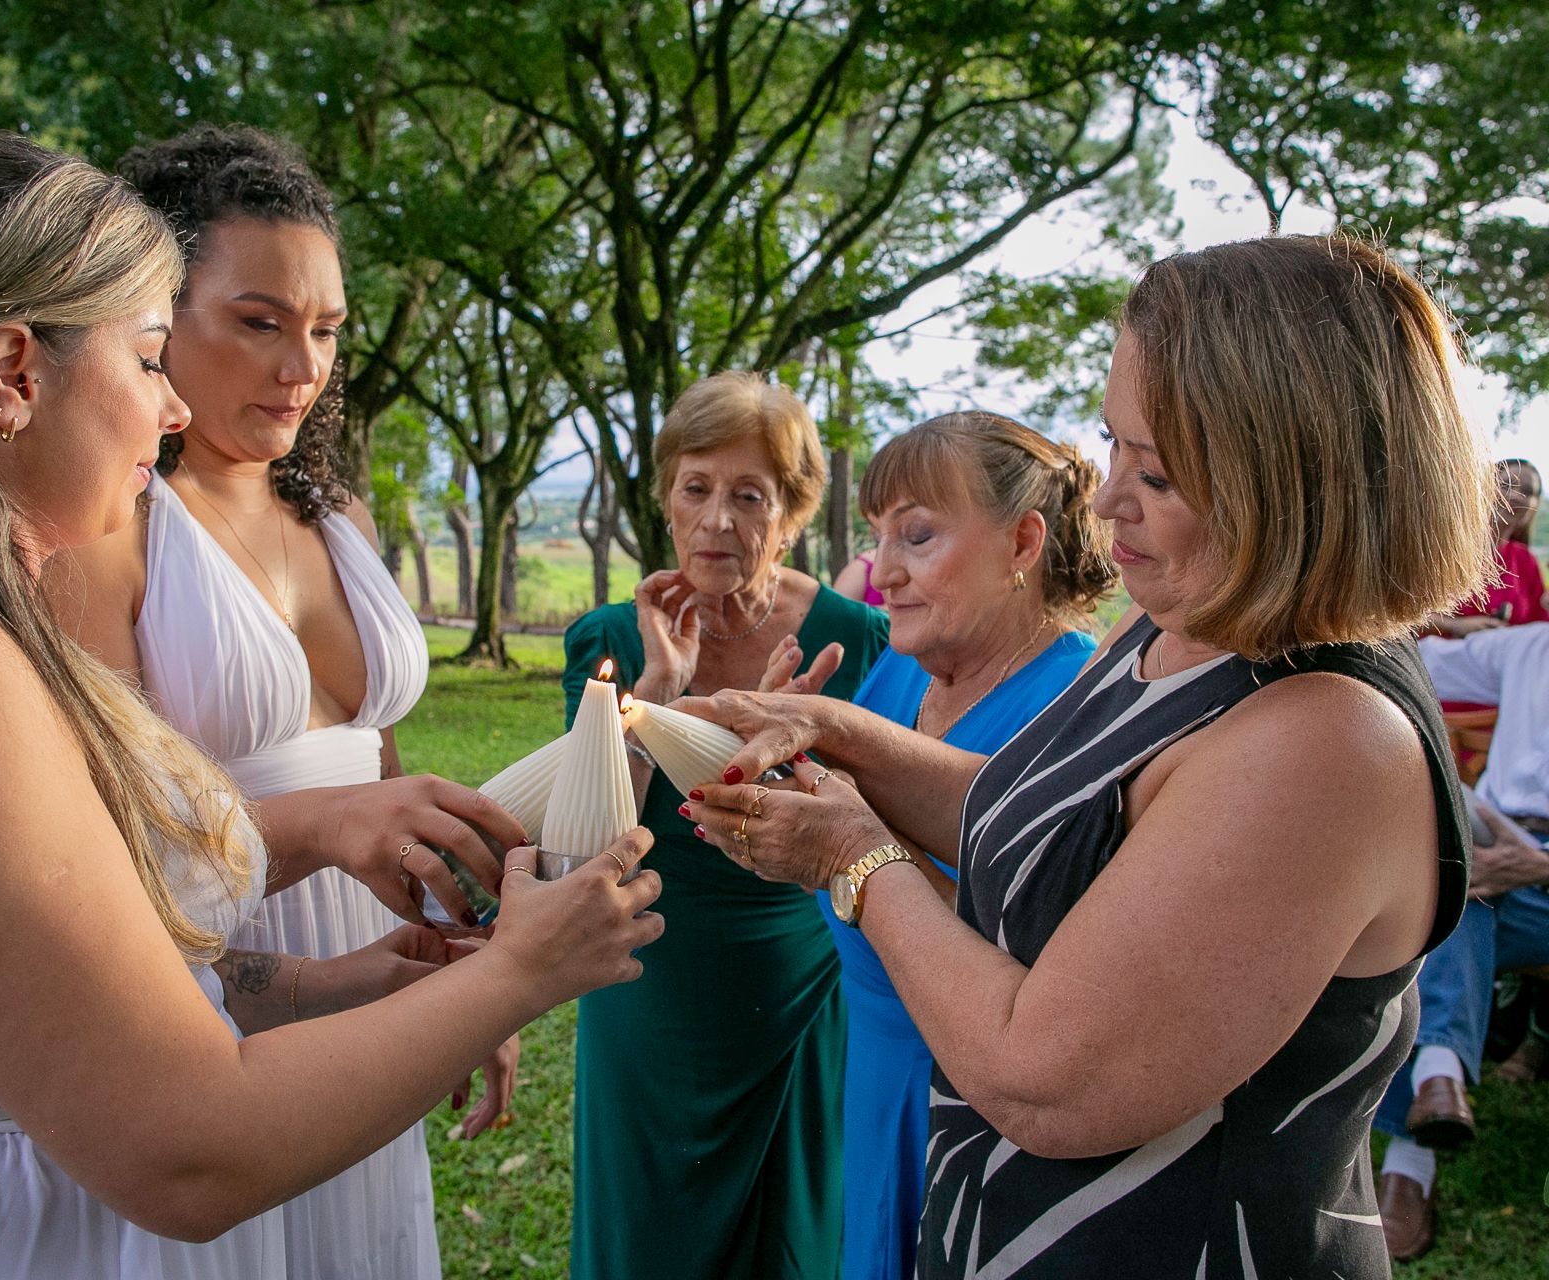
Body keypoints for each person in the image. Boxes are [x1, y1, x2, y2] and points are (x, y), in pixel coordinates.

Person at [0, 132, 662, 1280]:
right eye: (143, 356)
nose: (172, 409)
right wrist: (523, 970)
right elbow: (185, 1149)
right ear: (13, 372)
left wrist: (350, 981)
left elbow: (70, 976)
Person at [679, 235, 1485, 1279]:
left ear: (1293, 477)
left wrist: (853, 855)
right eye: (1116, 445)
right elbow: (1055, 821)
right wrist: (840, 734)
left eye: (1154, 470)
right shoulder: (1185, 628)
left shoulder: (1325, 738)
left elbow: (1043, 1075)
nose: (1105, 502)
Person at [46, 123, 515, 1278]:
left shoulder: (334, 503)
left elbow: (380, 767)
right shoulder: (110, 522)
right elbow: (83, 837)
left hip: (376, 971)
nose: (301, 365)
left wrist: (460, 977)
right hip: (205, 987)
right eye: (258, 322)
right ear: (154, 313)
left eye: (325, 329)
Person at [764, 411, 1112, 1280]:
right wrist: (782, 784)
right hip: (872, 1069)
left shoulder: (1077, 708)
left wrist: (849, 842)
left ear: (1022, 542)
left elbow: (1053, 953)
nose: (883, 573)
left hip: (977, 1099)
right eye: (876, 537)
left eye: (916, 536)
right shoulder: (897, 674)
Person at [562, 371, 891, 1280]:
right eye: (696, 487)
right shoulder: (609, 640)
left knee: (792, 1242)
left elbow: (893, 814)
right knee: (646, 1236)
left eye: (750, 496)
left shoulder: (857, 639)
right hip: (644, 984)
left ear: (791, 513)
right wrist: (657, 698)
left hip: (798, 987)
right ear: (666, 496)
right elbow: (580, 846)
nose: (716, 519)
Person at [1371, 620, 1549, 1260]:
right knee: (1453, 889)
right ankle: (1436, 1092)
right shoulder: (1527, 646)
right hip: (1496, 856)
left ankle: (1412, 1158)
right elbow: (1410, 657)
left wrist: (1543, 866)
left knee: (1449, 898)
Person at [1432, 459, 1545, 638]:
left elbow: (1539, 627)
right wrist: (1455, 625)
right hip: (1438, 659)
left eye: (1528, 491)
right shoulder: (1445, 548)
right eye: (1507, 484)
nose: (1516, 496)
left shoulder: (1526, 560)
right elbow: (1401, 613)